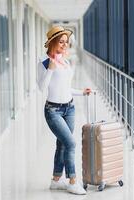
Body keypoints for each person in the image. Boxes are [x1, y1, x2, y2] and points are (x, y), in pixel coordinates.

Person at [37, 26, 91, 195]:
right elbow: (41, 87)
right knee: (70, 143)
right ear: (52, 42)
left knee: (62, 144)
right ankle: (73, 181)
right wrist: (51, 69)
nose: (64, 45)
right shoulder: (44, 63)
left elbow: (66, 88)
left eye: (66, 42)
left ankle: (55, 180)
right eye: (61, 41)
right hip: (53, 111)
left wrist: (82, 92)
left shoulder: (65, 62)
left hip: (70, 108)